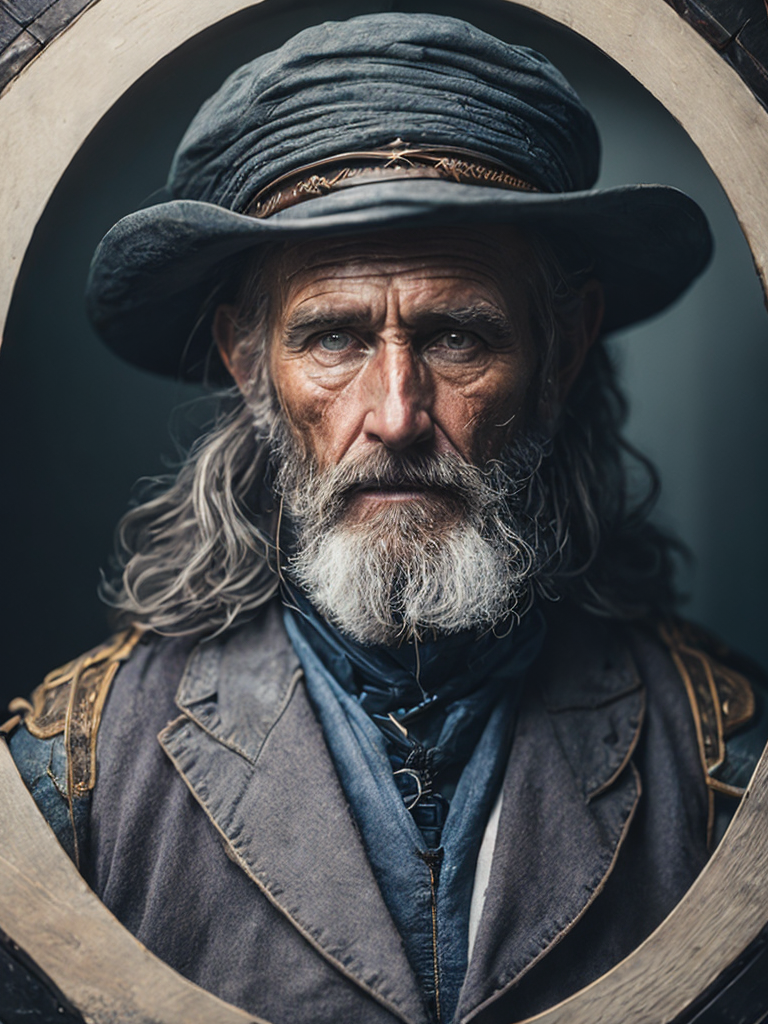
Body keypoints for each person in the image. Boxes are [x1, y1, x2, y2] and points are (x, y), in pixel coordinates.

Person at [4, 12, 767, 1024]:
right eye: (334, 336)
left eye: (457, 335)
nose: (397, 414)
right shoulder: (65, 785)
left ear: (563, 348)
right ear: (247, 362)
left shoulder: (731, 770)